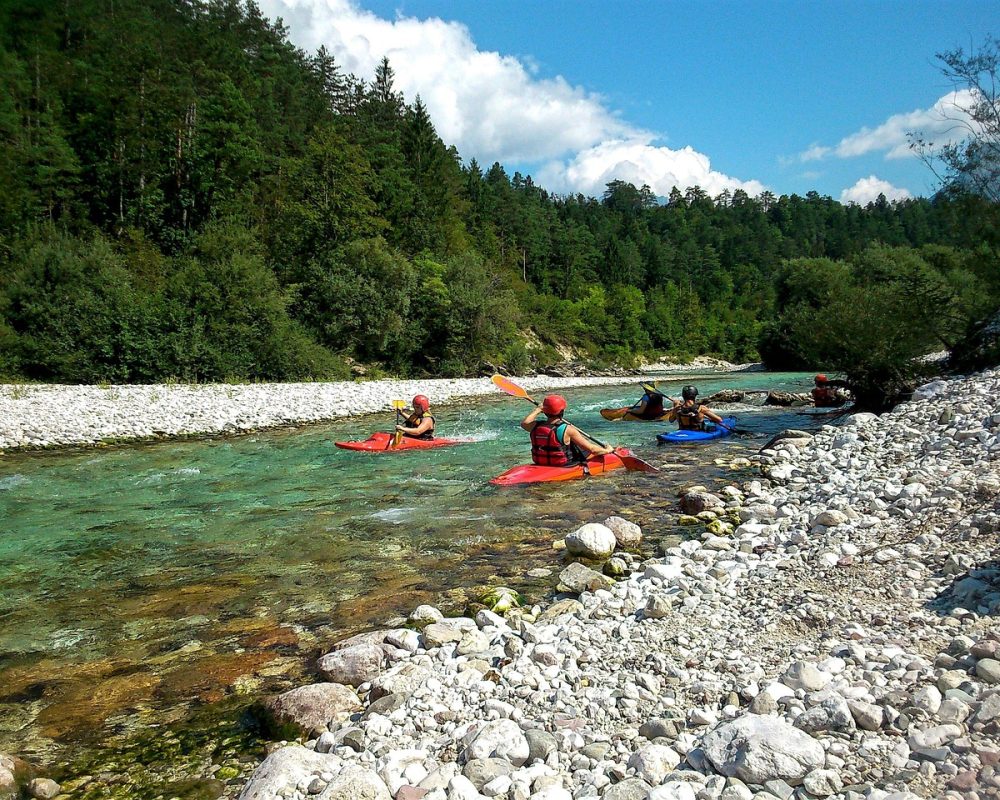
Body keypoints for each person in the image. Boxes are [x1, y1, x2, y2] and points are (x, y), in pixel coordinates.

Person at [521, 394, 614, 466]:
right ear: (562, 411)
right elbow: (592, 450)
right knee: (586, 450)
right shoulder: (568, 429)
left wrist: (537, 410)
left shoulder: (535, 426)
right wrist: (607, 450)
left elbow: (524, 423)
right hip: (562, 464)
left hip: (540, 463)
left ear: (544, 412)